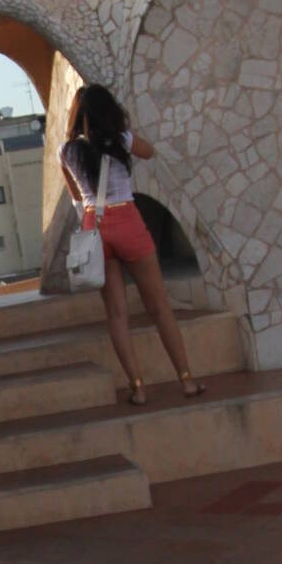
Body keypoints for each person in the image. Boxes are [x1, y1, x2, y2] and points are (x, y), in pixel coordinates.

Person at [59, 84, 203, 406]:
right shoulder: (120, 140)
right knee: (159, 306)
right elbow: (149, 151)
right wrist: (119, 130)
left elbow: (75, 196)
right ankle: (187, 380)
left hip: (94, 227)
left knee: (117, 315)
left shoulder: (66, 151)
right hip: (126, 220)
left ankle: (137, 387)